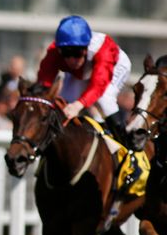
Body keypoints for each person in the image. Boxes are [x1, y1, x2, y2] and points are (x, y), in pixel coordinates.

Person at [36, 15, 131, 146]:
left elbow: (98, 85)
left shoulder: (103, 50)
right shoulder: (53, 52)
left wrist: (79, 105)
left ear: (86, 48)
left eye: (76, 53)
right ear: (58, 49)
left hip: (115, 65)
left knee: (104, 99)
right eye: (66, 53)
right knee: (63, 103)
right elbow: (42, 84)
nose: (71, 60)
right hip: (83, 73)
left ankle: (126, 143)